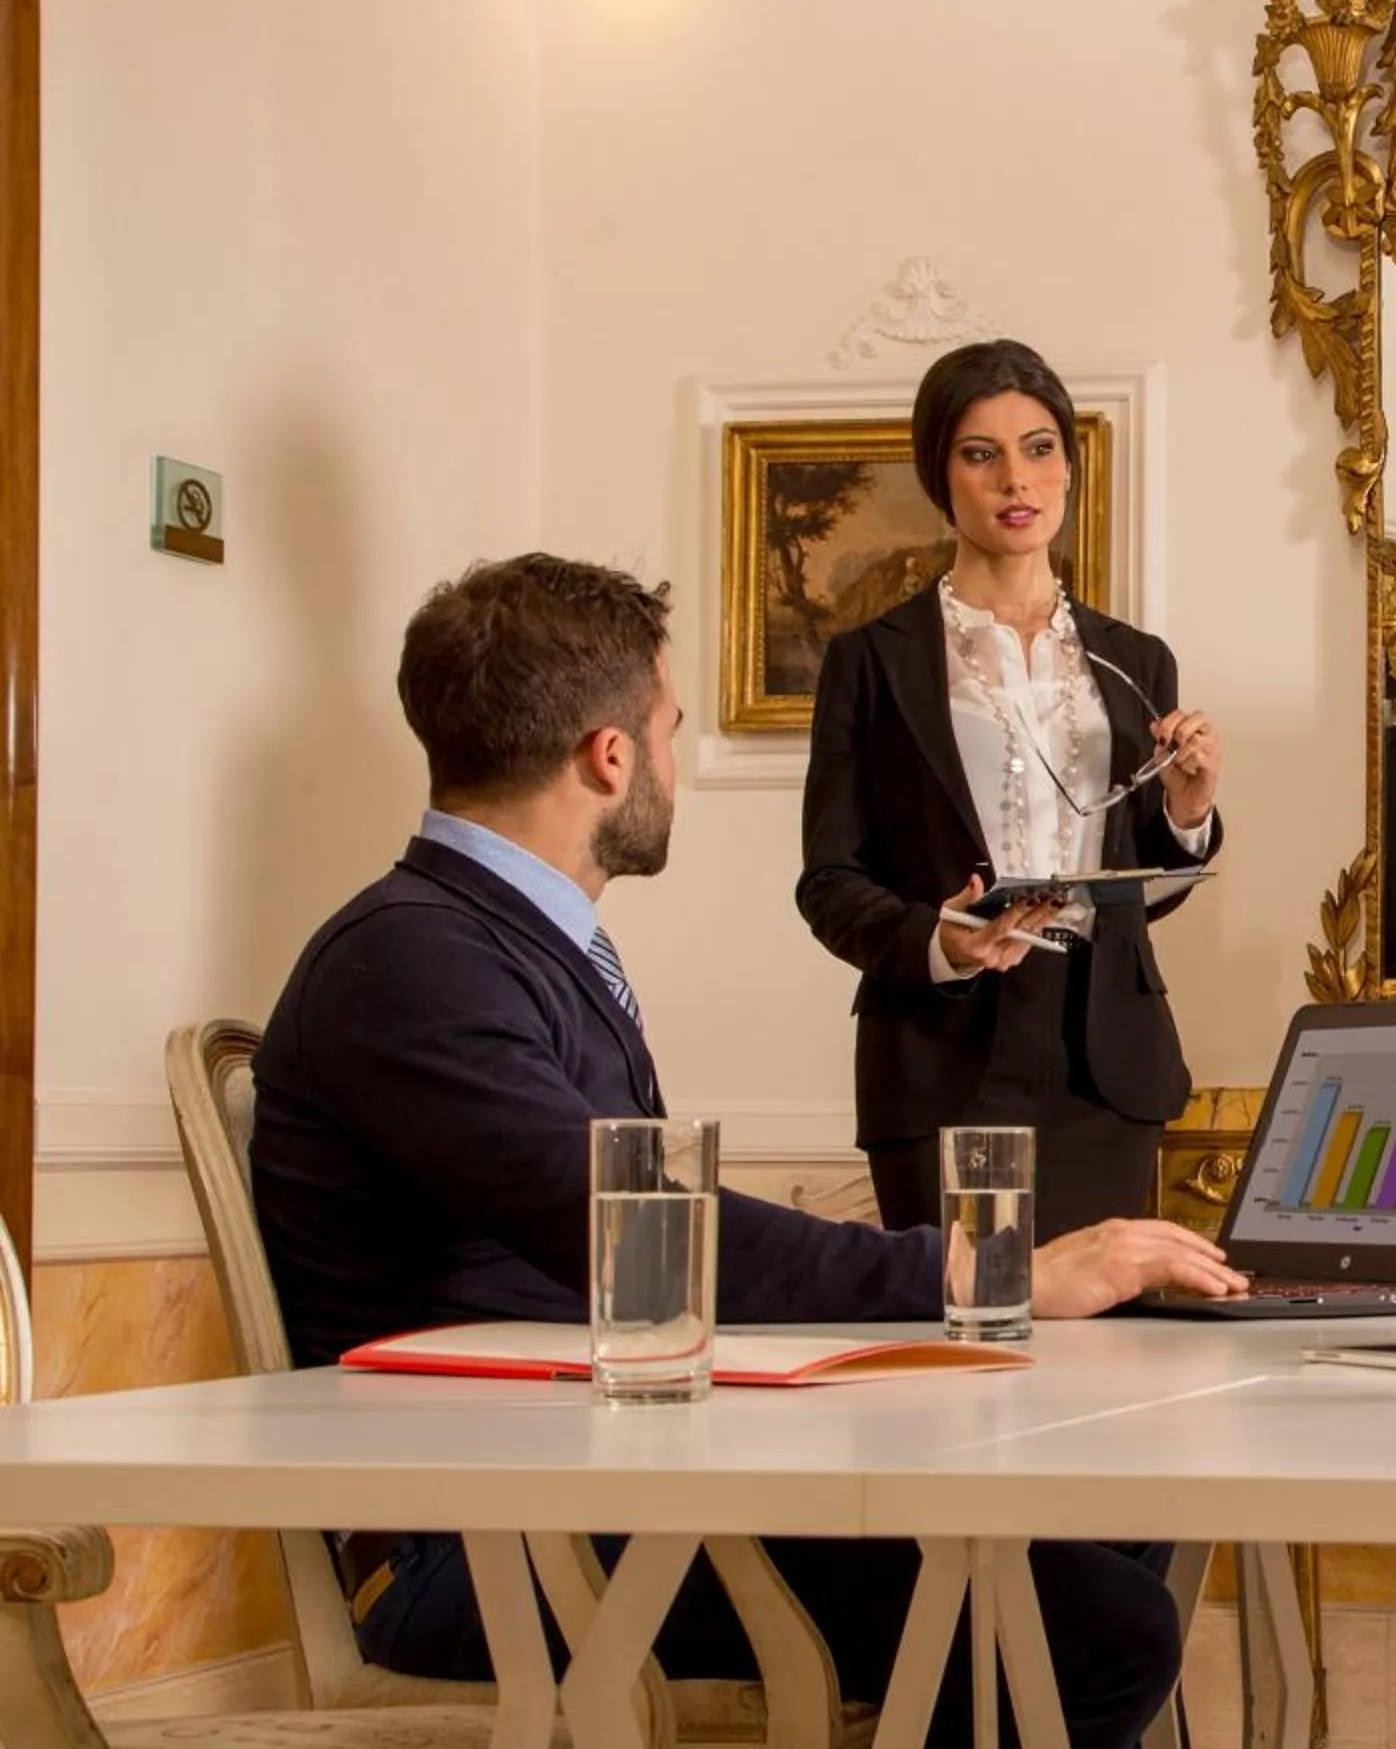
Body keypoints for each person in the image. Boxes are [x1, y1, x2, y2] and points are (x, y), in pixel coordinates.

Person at [251, 553, 1249, 1749]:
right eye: (669, 731)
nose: (673, 763)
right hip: (482, 1545)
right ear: (608, 757)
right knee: (1095, 1622)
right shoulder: (414, 961)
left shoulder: (485, 940)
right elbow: (644, 1242)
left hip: (581, 1479)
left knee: (1088, 1525)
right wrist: (996, 1274)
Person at [799, 340, 1223, 1240]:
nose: (1014, 480)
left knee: (1105, 1347)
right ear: (940, 476)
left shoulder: (1136, 660)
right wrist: (942, 943)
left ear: (1069, 464)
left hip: (1107, 1052)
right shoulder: (871, 662)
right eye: (980, 454)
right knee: (962, 1332)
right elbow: (829, 880)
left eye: (1038, 448)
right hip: (938, 1045)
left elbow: (1146, 889)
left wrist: (1187, 812)